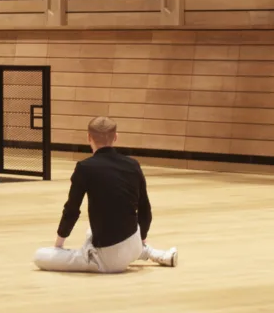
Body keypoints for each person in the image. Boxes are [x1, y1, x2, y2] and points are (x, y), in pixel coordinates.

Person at [33, 116, 177, 274]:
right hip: (133, 245)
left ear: (89, 137)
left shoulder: (84, 167)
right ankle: (150, 252)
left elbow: (71, 210)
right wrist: (140, 241)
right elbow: (145, 211)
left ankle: (145, 252)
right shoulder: (133, 165)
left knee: (40, 256)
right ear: (116, 137)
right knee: (95, 229)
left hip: (107, 260)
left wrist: (58, 247)